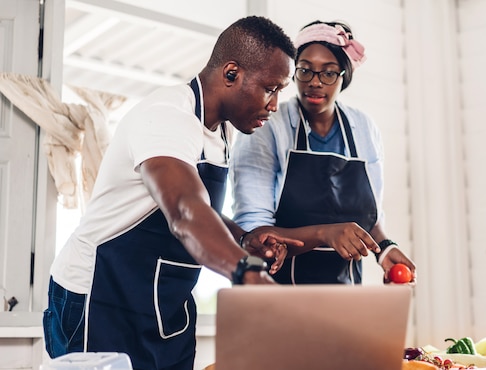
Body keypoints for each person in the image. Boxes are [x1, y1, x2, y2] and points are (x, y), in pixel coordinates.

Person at [43, 16, 303, 370]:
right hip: (99, 297)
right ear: (231, 73)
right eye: (270, 88)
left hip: (164, 304)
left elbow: (200, 209)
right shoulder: (167, 116)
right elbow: (184, 211)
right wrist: (247, 272)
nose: (274, 105)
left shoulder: (221, 131)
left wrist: (243, 240)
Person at [230, 20, 416, 285]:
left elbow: (370, 215)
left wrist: (385, 247)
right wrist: (325, 233)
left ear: (343, 77)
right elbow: (254, 234)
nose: (315, 83)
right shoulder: (268, 127)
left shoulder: (364, 128)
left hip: (347, 295)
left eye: (328, 73)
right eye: (305, 71)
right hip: (278, 292)